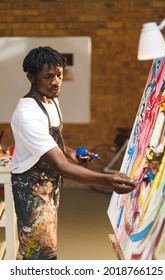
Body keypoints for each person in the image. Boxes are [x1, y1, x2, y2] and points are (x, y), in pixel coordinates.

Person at [10, 46, 136, 260]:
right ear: (31, 77)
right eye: (48, 76)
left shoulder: (51, 100)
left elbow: (53, 144)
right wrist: (108, 180)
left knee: (46, 246)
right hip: (31, 189)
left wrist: (70, 153)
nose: (56, 82)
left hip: (49, 183)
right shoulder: (28, 113)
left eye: (59, 75)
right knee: (40, 255)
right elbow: (60, 165)